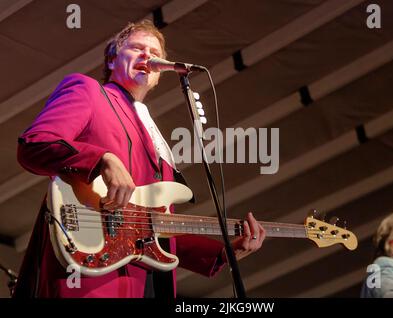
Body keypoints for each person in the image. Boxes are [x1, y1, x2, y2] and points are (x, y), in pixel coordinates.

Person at [13, 19, 266, 298]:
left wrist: (224, 253)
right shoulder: (89, 91)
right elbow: (34, 144)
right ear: (111, 61)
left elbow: (150, 225)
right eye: (136, 48)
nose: (147, 56)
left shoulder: (157, 140)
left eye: (154, 51)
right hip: (88, 272)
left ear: (160, 72)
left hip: (145, 282)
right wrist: (102, 159)